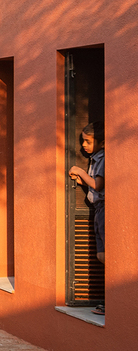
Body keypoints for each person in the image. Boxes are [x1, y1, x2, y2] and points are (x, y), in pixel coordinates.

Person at [69, 122, 106, 315]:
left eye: (88, 141)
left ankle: (109, 301)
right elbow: (93, 184)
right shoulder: (95, 158)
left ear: (102, 142)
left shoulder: (102, 158)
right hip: (98, 209)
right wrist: (82, 180)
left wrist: (81, 172)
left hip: (104, 209)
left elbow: (98, 185)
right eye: (83, 141)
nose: (83, 145)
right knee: (101, 255)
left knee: (106, 255)